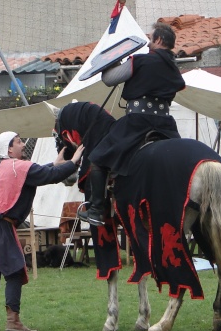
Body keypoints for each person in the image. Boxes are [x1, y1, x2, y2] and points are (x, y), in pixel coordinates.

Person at [0, 131, 84, 331]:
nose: (23, 144)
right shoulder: (17, 167)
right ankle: (13, 321)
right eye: (18, 142)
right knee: (15, 271)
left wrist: (54, 164)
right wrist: (74, 161)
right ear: (9, 149)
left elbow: (37, 173)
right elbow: (47, 176)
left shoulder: (2, 166)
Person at [78, 22, 186, 226]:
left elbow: (110, 79)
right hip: (166, 124)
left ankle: (96, 210)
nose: (147, 42)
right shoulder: (174, 69)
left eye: (151, 37)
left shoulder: (142, 61)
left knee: (98, 158)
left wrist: (112, 61)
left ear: (159, 40)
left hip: (138, 121)